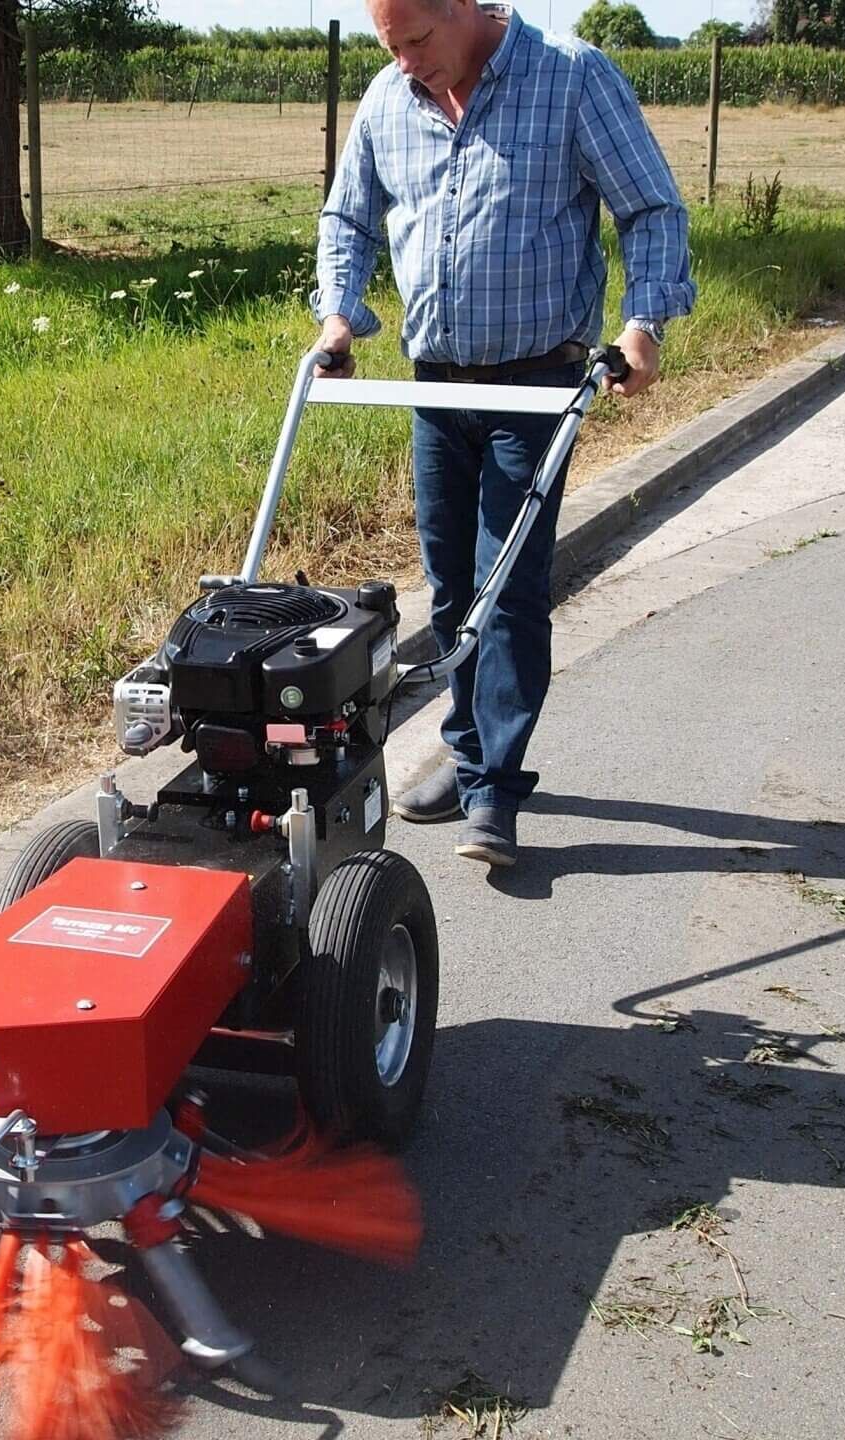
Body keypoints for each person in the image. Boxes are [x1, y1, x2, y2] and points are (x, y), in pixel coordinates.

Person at [313, 0, 694, 867]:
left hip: (539, 380)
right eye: (391, 45)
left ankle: (493, 790)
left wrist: (644, 323)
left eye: (419, 40)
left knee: (508, 587)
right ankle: (466, 747)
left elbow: (651, 209)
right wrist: (340, 318)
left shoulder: (570, 78)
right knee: (450, 587)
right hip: (436, 384)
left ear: (462, 7)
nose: (407, 62)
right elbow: (348, 218)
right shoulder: (388, 100)